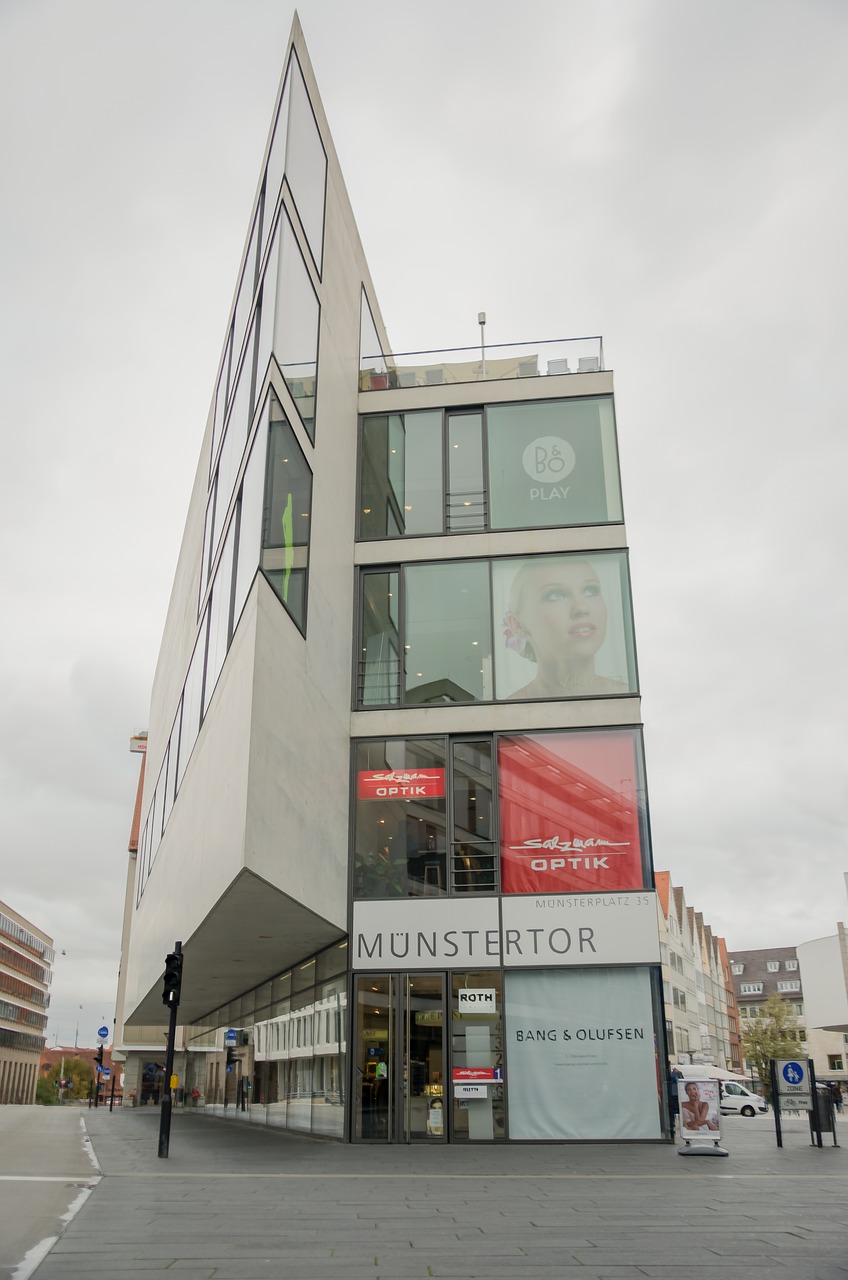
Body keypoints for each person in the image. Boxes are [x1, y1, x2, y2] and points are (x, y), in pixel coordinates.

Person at [502, 557, 629, 699]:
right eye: (556, 595)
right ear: (518, 625)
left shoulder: (626, 698)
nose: (581, 607)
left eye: (590, 591)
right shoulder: (511, 711)